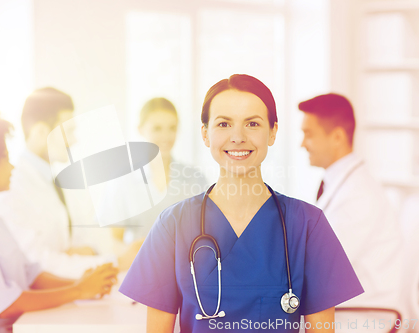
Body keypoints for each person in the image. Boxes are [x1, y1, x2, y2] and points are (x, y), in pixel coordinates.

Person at [119, 75, 363, 332]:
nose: (237, 137)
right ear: (205, 134)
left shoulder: (308, 225)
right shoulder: (172, 226)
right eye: (224, 124)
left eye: (252, 124)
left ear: (272, 132)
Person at [0, 106, 118, 333]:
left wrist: (82, 285)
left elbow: (30, 275)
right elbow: (1, 305)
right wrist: (78, 291)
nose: (12, 166)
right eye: (5, 158)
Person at [0, 88, 141, 279]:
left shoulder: (56, 182)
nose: (74, 140)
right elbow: (35, 265)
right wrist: (116, 262)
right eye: (68, 131)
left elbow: (91, 238)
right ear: (41, 132)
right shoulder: (11, 188)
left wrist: (80, 252)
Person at [299, 93, 402, 309]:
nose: (302, 144)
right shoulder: (341, 184)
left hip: (360, 315)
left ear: (337, 137)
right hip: (339, 307)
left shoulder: (359, 196)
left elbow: (321, 268)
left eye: (308, 135)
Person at [111, 97, 208, 243]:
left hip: (184, 264)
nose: (166, 136)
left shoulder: (196, 178)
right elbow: (116, 240)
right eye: (157, 128)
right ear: (141, 130)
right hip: (139, 264)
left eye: (172, 128)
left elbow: (207, 231)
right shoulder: (124, 180)